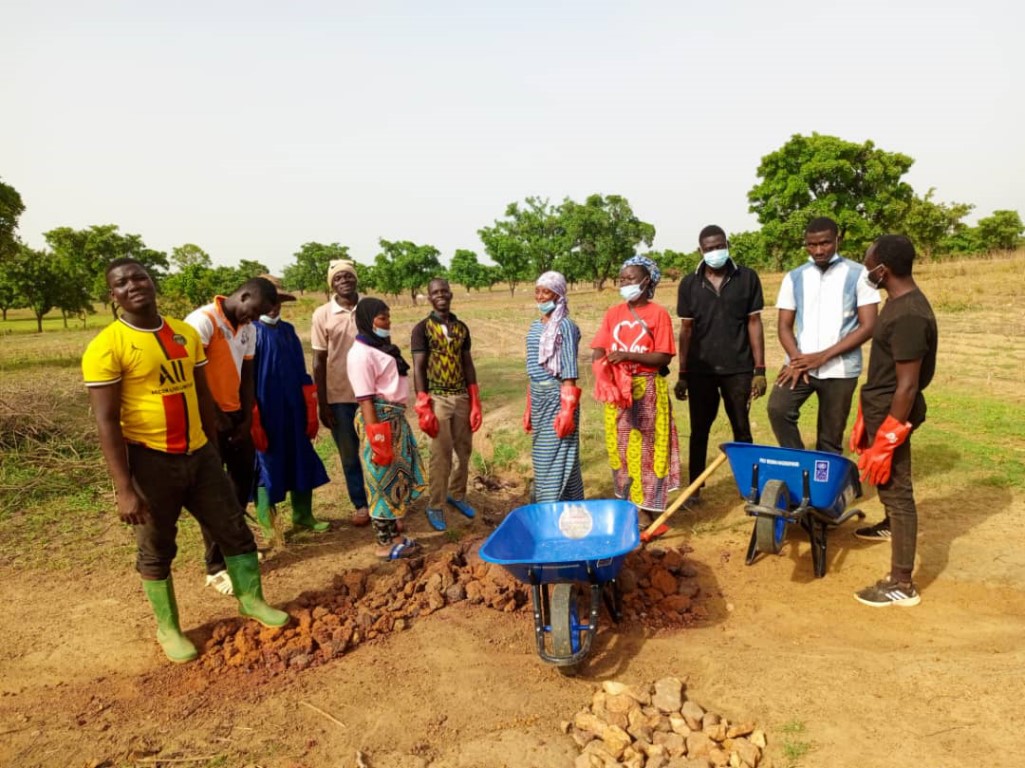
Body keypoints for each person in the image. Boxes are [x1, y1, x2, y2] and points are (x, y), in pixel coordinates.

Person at [82, 259, 288, 664]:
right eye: (122, 283)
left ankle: (251, 600)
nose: (133, 285)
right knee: (157, 547)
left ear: (152, 281)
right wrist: (124, 488)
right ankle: (169, 628)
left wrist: (210, 448)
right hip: (150, 460)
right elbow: (106, 422)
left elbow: (201, 397)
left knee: (234, 529)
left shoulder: (183, 333)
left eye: (139, 277)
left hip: (200, 454)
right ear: (113, 295)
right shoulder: (106, 346)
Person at [850, 235, 937, 607]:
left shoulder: (909, 316)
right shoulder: (897, 303)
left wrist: (887, 437)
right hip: (881, 407)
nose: (866, 270)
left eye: (869, 264)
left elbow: (907, 385)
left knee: (898, 492)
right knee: (888, 487)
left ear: (883, 270)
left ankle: (901, 583)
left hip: (894, 412)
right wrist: (865, 415)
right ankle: (890, 526)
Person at [185, 277, 278, 595]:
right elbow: (191, 375)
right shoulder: (202, 321)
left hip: (236, 417)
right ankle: (215, 566)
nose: (255, 317)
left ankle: (233, 550)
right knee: (212, 493)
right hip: (205, 420)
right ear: (245, 295)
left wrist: (245, 417)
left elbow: (247, 377)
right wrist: (215, 416)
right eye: (255, 310)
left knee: (240, 486)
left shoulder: (249, 328)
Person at [767, 217, 880, 454]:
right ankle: (800, 463)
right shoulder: (794, 277)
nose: (818, 250)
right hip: (800, 366)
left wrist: (822, 357)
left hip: (840, 369)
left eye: (825, 243)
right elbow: (784, 326)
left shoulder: (859, 275)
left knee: (830, 439)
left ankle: (824, 477)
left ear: (838, 240)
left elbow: (869, 326)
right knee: (778, 408)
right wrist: (797, 359)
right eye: (812, 244)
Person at [675, 225, 767, 495]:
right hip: (700, 370)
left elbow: (754, 323)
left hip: (738, 368)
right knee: (699, 430)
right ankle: (695, 489)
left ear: (727, 245)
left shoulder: (747, 278)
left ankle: (750, 487)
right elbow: (686, 330)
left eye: (719, 246)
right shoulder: (689, 284)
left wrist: (759, 370)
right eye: (709, 248)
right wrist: (683, 374)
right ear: (700, 250)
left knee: (742, 428)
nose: (715, 252)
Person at [591, 255, 681, 525]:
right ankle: (626, 501)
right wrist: (602, 374)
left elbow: (663, 356)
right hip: (618, 392)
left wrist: (628, 355)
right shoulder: (613, 313)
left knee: (648, 449)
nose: (625, 283)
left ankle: (646, 508)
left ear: (646, 281)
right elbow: (599, 347)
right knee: (620, 447)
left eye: (631, 278)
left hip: (647, 389)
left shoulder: (658, 314)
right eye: (622, 279)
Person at [250, 277, 331, 543]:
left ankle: (303, 515)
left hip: (294, 409)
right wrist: (252, 415)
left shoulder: (288, 330)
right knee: (266, 466)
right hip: (266, 411)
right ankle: (270, 527)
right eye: (269, 302)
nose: (274, 307)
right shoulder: (250, 332)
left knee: (300, 458)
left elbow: (301, 371)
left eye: (278, 302)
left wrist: (309, 406)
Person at [347, 297, 426, 559]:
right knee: (380, 481)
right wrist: (377, 438)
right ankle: (383, 544)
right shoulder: (360, 355)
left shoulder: (381, 348)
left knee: (395, 480)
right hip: (379, 420)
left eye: (388, 317)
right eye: (382, 318)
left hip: (394, 419)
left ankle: (395, 537)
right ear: (367, 321)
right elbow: (365, 399)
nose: (387, 322)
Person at [410, 278, 483, 531]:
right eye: (435, 292)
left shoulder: (461, 328)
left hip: (461, 396)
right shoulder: (422, 329)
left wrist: (475, 401)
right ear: (429, 298)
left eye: (444, 291)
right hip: (437, 397)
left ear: (451, 294)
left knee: (463, 450)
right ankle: (435, 504)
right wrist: (423, 402)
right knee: (441, 453)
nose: (440, 295)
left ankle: (457, 494)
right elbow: (418, 368)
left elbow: (468, 365)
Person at [311, 260, 370, 528]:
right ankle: (361, 505)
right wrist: (323, 404)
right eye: (337, 278)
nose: (344, 280)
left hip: (371, 395)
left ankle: (384, 504)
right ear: (331, 285)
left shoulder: (370, 307)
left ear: (356, 279)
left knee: (378, 452)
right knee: (349, 456)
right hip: (339, 398)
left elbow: (384, 349)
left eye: (348, 276)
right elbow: (318, 361)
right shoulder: (322, 314)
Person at [523, 271, 583, 503]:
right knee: (544, 455)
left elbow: (569, 369)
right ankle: (568, 506)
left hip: (558, 398)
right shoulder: (535, 326)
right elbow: (532, 367)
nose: (540, 296)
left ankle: (548, 504)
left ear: (558, 295)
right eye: (537, 291)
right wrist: (529, 406)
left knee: (556, 455)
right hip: (538, 398)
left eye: (546, 292)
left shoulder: (565, 326)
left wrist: (567, 410)